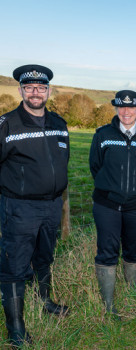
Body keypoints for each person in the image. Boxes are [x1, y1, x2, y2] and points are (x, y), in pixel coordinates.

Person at [0, 64, 69, 346]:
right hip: (19, 208)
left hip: (52, 207)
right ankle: (15, 328)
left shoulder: (59, 124)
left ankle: (45, 302)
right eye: (29, 88)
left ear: (48, 91)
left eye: (41, 88)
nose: (35, 93)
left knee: (44, 257)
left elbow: (62, 163)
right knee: (14, 265)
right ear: (21, 91)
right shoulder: (7, 124)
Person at [89, 90, 136, 316]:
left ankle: (133, 291)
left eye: (131, 107)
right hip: (107, 204)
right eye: (121, 107)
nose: (126, 112)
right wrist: (111, 187)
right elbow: (95, 166)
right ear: (116, 108)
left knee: (134, 248)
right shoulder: (103, 134)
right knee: (107, 251)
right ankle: (108, 304)